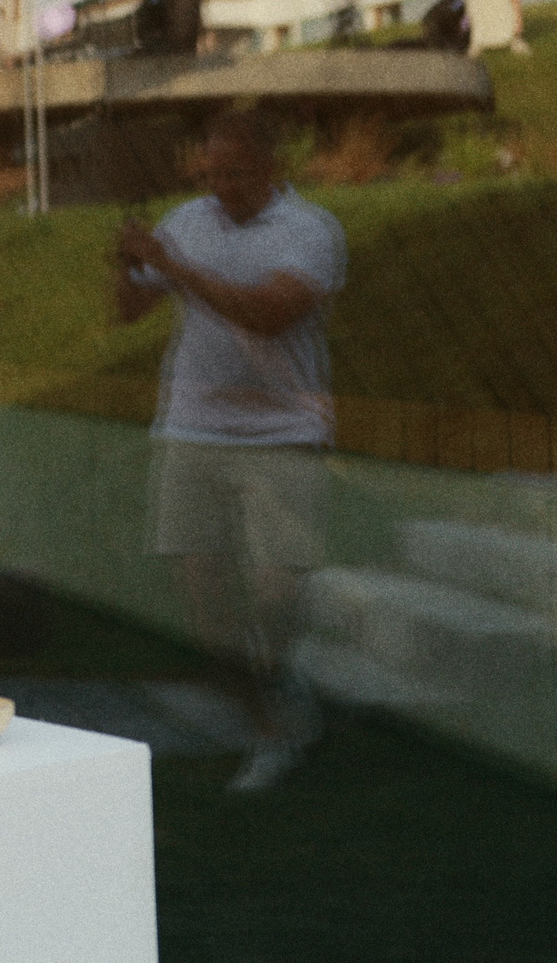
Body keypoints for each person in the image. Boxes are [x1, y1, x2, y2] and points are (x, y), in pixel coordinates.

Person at [115, 108, 345, 794]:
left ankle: (279, 684)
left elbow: (268, 314)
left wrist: (171, 265)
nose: (220, 187)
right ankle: (268, 728)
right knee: (206, 598)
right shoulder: (186, 222)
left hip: (285, 431)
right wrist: (128, 263)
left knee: (277, 592)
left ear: (272, 166)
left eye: (236, 173)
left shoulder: (311, 230)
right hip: (192, 428)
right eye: (211, 174)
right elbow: (129, 309)